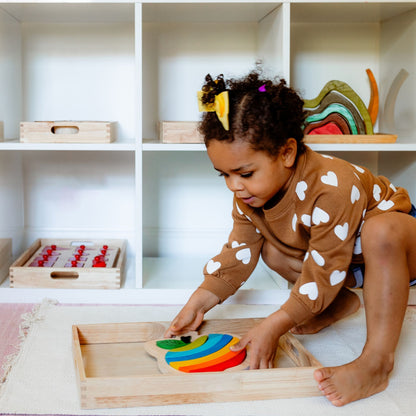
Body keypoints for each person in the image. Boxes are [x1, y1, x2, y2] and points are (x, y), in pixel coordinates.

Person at [164, 70, 416, 406]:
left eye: (245, 173)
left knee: (381, 230)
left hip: (399, 253)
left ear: (286, 153)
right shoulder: (249, 196)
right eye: (223, 174)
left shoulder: (333, 186)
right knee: (270, 250)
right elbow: (238, 253)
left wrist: (275, 324)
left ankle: (377, 363)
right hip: (345, 263)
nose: (234, 186)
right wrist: (199, 301)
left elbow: (324, 270)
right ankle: (337, 303)